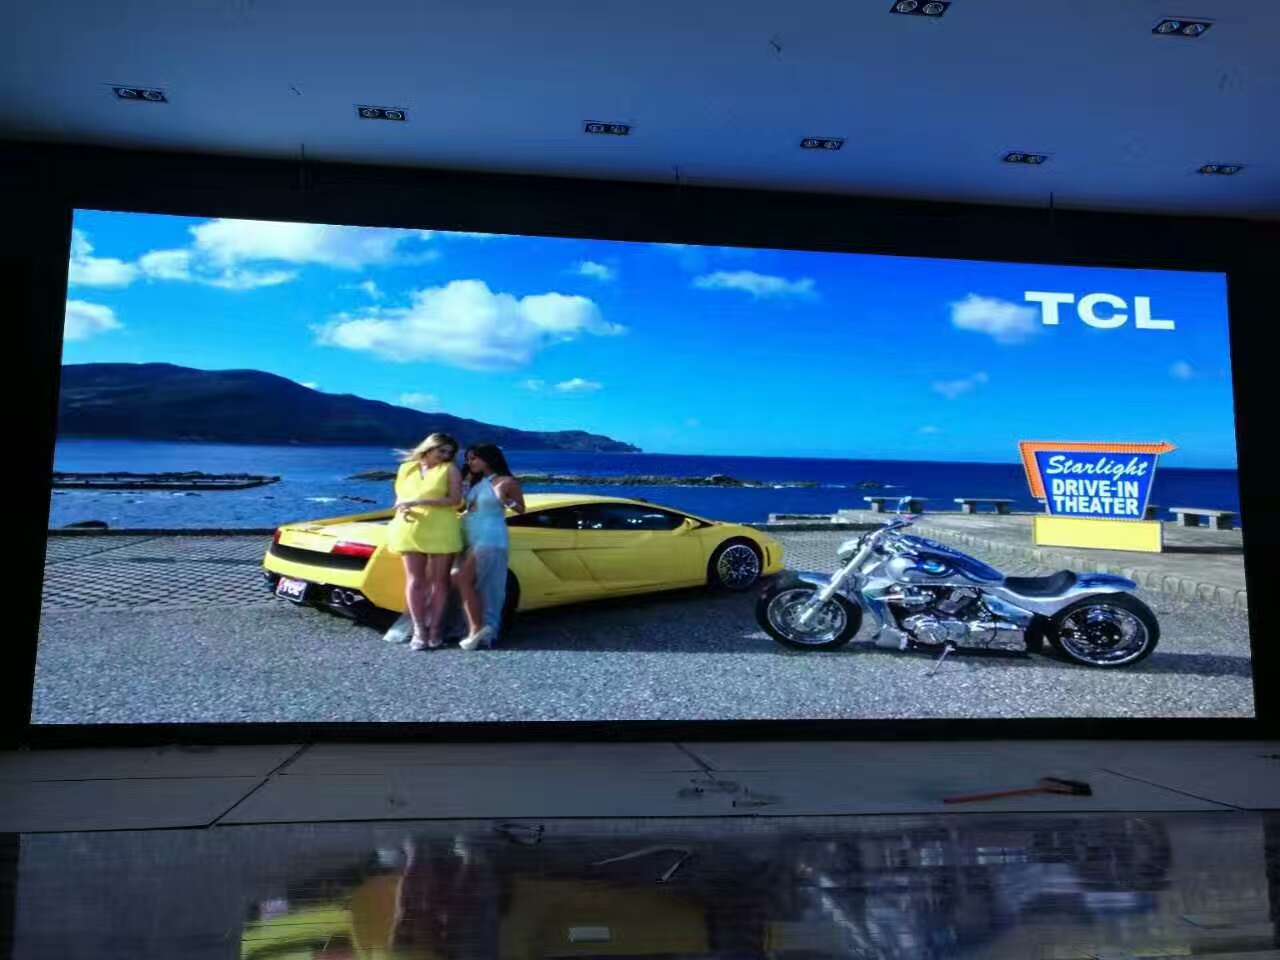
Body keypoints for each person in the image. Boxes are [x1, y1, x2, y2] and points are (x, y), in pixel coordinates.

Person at [385, 433, 463, 650]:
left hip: (441, 528)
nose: (445, 455)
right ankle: (419, 630)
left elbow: (456, 501)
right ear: (429, 447)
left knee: (440, 582)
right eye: (441, 450)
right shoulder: (406, 468)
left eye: (449, 453)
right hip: (409, 527)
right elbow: (400, 496)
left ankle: (436, 629)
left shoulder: (450, 469)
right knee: (415, 581)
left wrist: (420, 501)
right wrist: (403, 506)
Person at [454, 444, 525, 650]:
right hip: (471, 534)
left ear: (489, 458)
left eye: (474, 458)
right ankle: (478, 627)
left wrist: (506, 500)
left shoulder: (507, 481)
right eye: (468, 459)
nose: (470, 462)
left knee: (466, 579)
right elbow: (464, 506)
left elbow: (521, 509)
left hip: (490, 537)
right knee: (474, 583)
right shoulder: (475, 482)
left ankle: (479, 629)